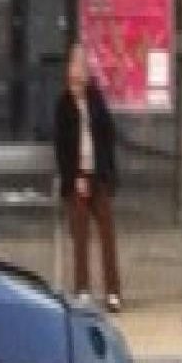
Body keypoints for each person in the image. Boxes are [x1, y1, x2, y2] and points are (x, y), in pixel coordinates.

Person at [54, 44, 123, 312]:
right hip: (77, 178)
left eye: (82, 68)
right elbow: (61, 147)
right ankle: (82, 289)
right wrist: (74, 177)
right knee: (80, 235)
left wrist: (107, 174)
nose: (78, 74)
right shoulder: (63, 104)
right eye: (75, 67)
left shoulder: (96, 99)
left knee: (107, 233)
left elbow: (108, 135)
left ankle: (113, 292)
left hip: (98, 175)